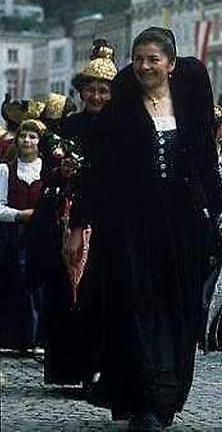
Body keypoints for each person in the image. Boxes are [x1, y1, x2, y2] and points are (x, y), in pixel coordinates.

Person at [66, 27, 222, 430]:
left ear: (171, 64)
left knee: (177, 309)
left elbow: (206, 166)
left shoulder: (191, 99)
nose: (144, 66)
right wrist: (78, 225)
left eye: (153, 59)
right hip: (131, 224)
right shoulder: (123, 106)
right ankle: (142, 398)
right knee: (137, 307)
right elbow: (98, 170)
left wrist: (221, 219)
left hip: (181, 224)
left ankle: (167, 397)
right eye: (138, 58)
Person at [31, 40, 117, 387]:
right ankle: (69, 366)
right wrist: (61, 173)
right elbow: (46, 175)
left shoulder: (121, 127)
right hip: (67, 220)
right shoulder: (67, 128)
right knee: (67, 294)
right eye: (91, 90)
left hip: (107, 220)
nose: (96, 96)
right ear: (81, 92)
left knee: (101, 294)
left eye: (103, 91)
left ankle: (101, 367)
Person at [0, 119, 46, 353]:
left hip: (41, 235)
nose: (27, 141)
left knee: (39, 284)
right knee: (16, 282)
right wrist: (20, 215)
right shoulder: (5, 169)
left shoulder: (47, 170)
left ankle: (38, 339)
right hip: (13, 236)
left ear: (39, 142)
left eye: (33, 137)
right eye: (23, 136)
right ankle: (16, 338)